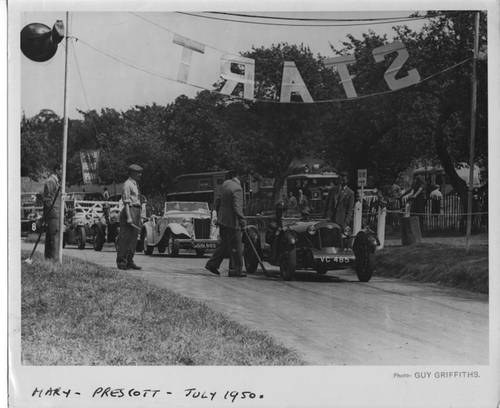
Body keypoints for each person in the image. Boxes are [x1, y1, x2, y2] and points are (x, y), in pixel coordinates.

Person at [205, 169, 246, 277]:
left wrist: (218, 215)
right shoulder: (238, 188)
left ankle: (212, 264)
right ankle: (236, 270)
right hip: (233, 222)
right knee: (237, 247)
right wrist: (242, 220)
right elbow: (237, 208)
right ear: (240, 176)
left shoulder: (225, 184)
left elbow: (217, 201)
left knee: (224, 244)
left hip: (222, 219)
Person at [116, 164, 143, 270]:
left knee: (133, 239)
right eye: (138, 173)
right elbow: (126, 202)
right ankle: (121, 262)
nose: (140, 175)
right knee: (125, 238)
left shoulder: (135, 184)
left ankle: (129, 260)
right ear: (132, 173)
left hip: (136, 210)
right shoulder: (127, 184)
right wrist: (129, 217)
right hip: (129, 210)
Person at [42, 164, 61, 259]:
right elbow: (47, 199)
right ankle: (52, 258)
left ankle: (50, 258)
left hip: (56, 211)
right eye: (61, 170)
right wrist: (51, 211)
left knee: (52, 235)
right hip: (53, 212)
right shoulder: (51, 181)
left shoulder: (56, 182)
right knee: (53, 236)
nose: (62, 172)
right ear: (56, 170)